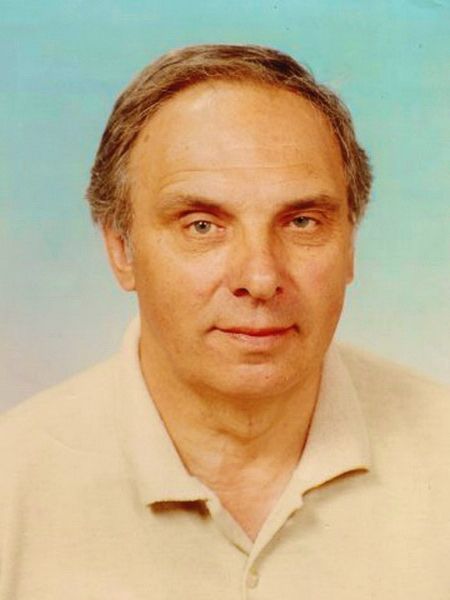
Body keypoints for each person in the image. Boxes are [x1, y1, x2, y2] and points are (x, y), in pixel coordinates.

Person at [1, 44, 448, 599]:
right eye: (202, 226)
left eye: (302, 222)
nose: (260, 278)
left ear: (350, 245)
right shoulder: (12, 486)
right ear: (121, 250)